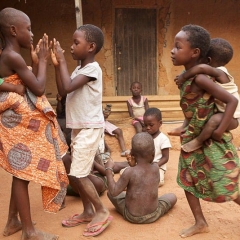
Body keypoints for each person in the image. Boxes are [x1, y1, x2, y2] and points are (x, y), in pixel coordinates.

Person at [0, 7, 68, 240]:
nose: (31, 34)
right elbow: (38, 87)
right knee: (21, 173)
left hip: (13, 120)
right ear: (12, 30)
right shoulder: (12, 56)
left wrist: (35, 61)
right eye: (28, 29)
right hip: (16, 121)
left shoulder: (7, 55)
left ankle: (12, 222)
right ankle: (28, 232)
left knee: (21, 169)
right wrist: (42, 61)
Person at [171, 24, 240, 238]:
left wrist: (218, 131)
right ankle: (200, 222)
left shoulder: (201, 78)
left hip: (212, 140)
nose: (172, 51)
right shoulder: (187, 75)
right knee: (187, 178)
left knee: (226, 180)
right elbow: (194, 107)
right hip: (192, 138)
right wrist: (185, 128)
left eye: (177, 46)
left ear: (195, 53)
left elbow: (231, 100)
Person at [51, 24, 112, 237]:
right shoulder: (78, 69)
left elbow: (67, 86)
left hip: (90, 127)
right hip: (79, 128)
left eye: (76, 43)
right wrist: (58, 64)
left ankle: (101, 211)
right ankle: (87, 211)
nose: (71, 46)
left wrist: (62, 63)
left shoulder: (92, 69)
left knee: (79, 172)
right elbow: (62, 90)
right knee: (77, 172)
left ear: (91, 47)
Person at [169, 38, 240, 152]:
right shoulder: (215, 74)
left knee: (213, 120)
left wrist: (219, 131)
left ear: (208, 60)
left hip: (232, 118)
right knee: (197, 108)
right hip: (223, 112)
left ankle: (198, 141)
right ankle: (184, 127)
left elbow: (202, 68)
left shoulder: (219, 72)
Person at [105, 132, 177, 224]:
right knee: (172, 196)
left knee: (110, 193)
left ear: (132, 153)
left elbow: (114, 192)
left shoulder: (129, 172)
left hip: (131, 216)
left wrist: (108, 169)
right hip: (153, 214)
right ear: (153, 154)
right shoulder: (155, 168)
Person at [143, 108, 172, 187]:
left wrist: (155, 166)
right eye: (145, 125)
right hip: (143, 165)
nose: (148, 127)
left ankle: (139, 184)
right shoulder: (143, 137)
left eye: (151, 125)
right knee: (124, 172)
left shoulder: (163, 139)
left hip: (157, 167)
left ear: (160, 123)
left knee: (158, 180)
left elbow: (165, 158)